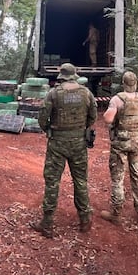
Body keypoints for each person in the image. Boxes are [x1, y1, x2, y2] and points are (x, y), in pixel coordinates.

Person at [30, 62, 97, 238]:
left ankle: (47, 224)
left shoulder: (53, 94)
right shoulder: (86, 93)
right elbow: (93, 117)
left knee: (52, 182)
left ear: (62, 75)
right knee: (80, 181)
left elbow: (43, 119)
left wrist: (51, 130)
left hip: (57, 143)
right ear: (74, 75)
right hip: (79, 143)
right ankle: (85, 219)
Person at [100, 71, 138, 226]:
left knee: (118, 177)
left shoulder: (117, 99)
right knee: (137, 175)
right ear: (136, 83)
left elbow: (108, 118)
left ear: (123, 83)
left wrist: (119, 117)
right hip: (136, 142)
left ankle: (116, 212)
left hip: (120, 143)